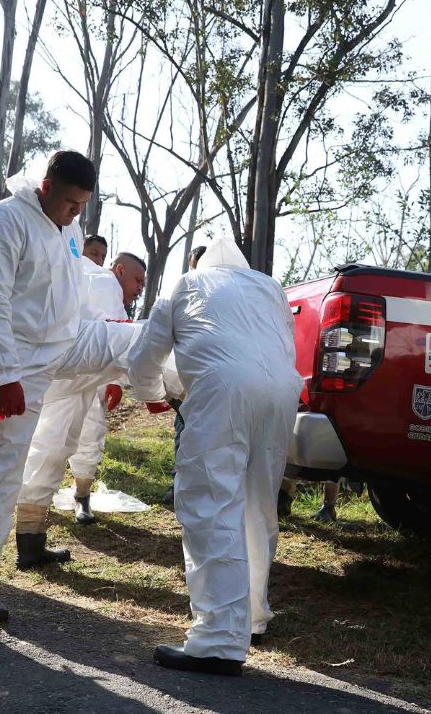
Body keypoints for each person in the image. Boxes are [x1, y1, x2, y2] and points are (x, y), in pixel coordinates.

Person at [0, 150, 143, 624]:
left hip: (69, 340)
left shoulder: (71, 227)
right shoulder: (3, 221)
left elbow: (69, 292)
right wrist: (4, 377)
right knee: (3, 462)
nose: (73, 212)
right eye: (67, 202)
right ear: (45, 185)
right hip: (17, 358)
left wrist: (137, 376)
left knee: (138, 340)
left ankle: (172, 387)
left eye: (81, 205)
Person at [128, 238, 302, 676]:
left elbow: (145, 355)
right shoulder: (269, 287)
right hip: (282, 392)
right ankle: (253, 617)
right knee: (259, 506)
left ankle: (218, 641)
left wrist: (151, 394)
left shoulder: (187, 283)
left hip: (223, 390)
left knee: (211, 506)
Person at [13, 251, 147, 568]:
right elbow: (102, 335)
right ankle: (29, 544)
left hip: (70, 376)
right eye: (137, 279)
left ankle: (33, 540)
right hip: (70, 374)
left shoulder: (89, 278)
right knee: (56, 446)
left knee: (57, 446)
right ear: (120, 270)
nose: (139, 287)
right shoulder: (104, 283)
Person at [161, 244, 206, 509]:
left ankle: (199, 487)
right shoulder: (184, 291)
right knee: (184, 431)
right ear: (192, 266)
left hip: (216, 381)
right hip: (187, 380)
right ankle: (179, 485)